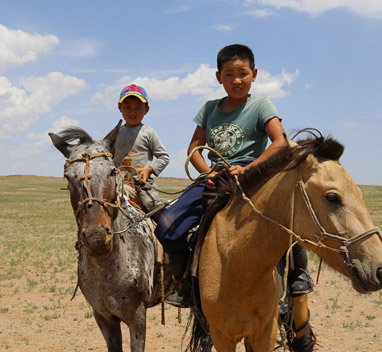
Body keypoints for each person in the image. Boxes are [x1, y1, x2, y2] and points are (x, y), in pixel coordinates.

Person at [155, 44, 312, 308]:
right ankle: (185, 283)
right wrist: (208, 173)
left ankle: (299, 273)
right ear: (219, 77)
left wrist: (249, 169)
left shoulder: (261, 105)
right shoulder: (209, 109)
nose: (236, 80)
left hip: (254, 175)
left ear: (254, 74)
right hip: (216, 178)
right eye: (229, 74)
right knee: (168, 224)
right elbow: (194, 148)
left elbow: (281, 141)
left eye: (242, 73)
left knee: (289, 211)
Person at [113, 84, 169, 212]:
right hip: (117, 183)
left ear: (146, 110)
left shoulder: (148, 132)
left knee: (153, 205)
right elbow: (108, 156)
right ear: (119, 107)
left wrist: (149, 170)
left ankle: (167, 221)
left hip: (141, 184)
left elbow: (164, 157)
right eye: (127, 107)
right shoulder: (115, 133)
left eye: (138, 108)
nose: (132, 112)